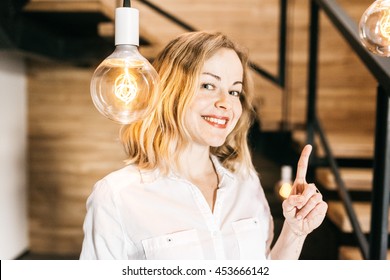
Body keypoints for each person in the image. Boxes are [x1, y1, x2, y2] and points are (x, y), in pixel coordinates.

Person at [79, 30, 328, 260]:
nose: (225, 103)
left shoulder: (246, 182)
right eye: (208, 85)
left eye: (234, 92)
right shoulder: (116, 195)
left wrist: (295, 232)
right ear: (170, 91)